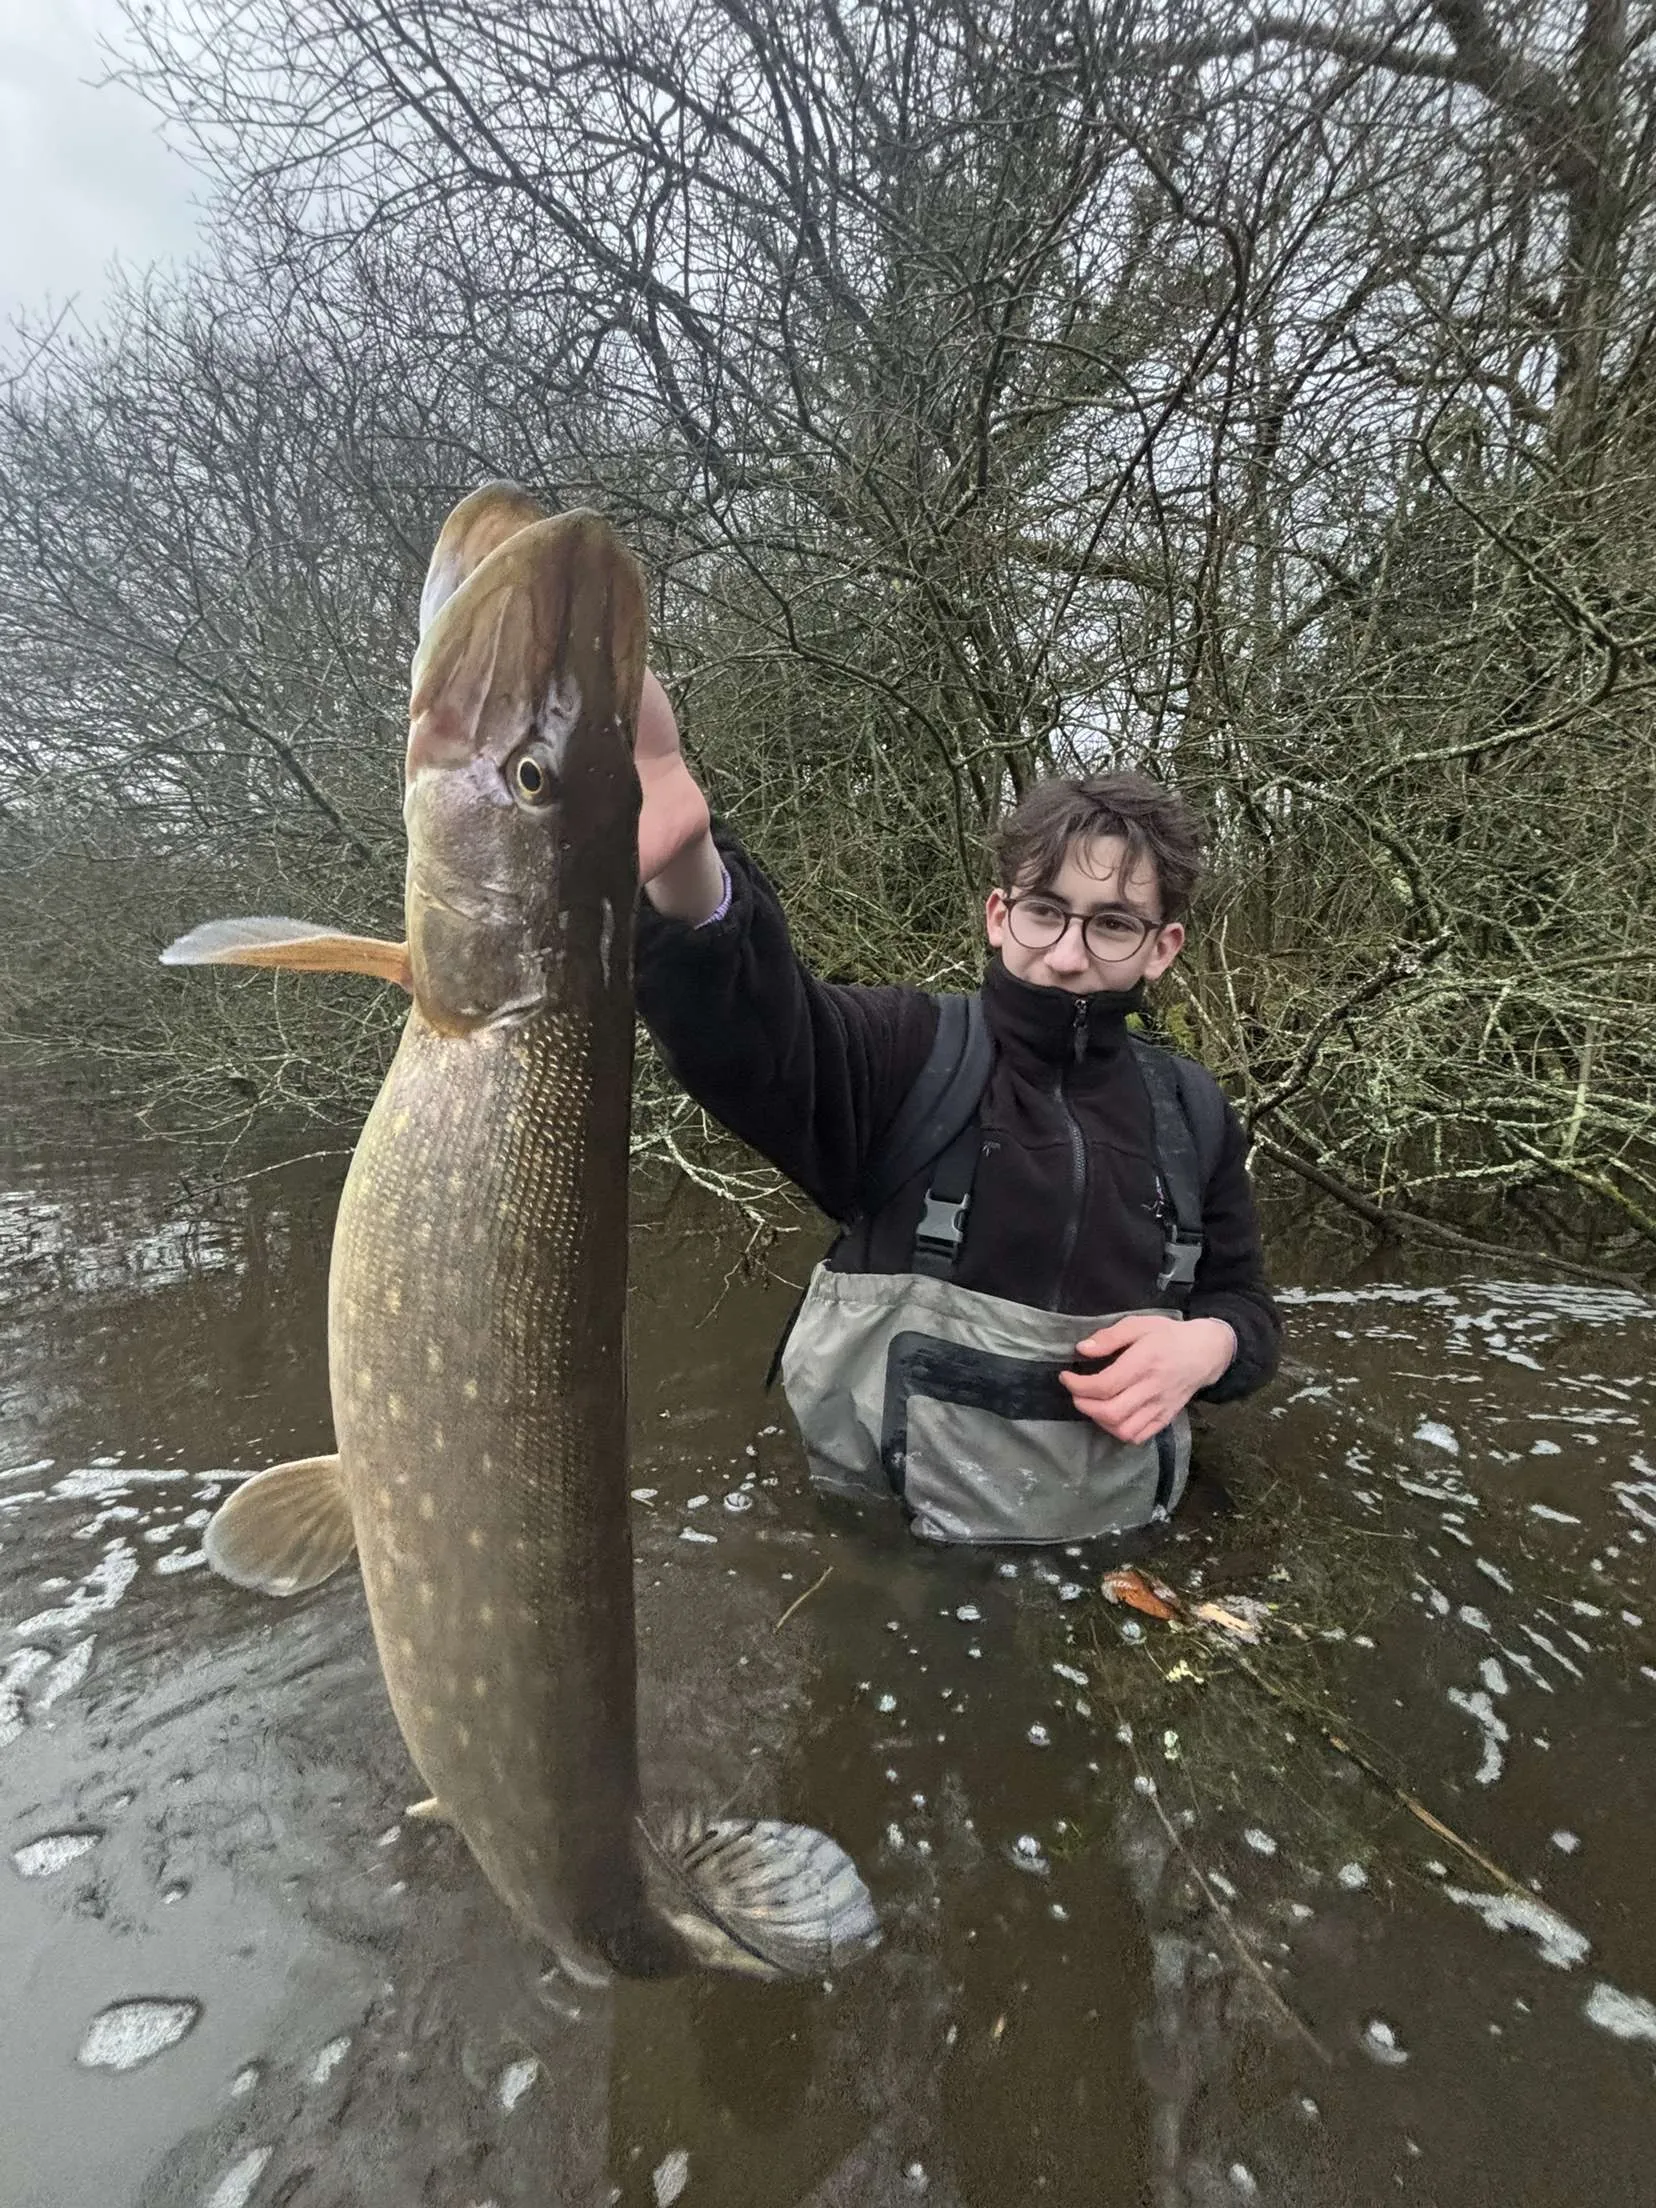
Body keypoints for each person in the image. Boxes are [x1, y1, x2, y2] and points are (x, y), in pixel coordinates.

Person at [632, 671, 1281, 1545]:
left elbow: (1244, 1304)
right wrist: (684, 863)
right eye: (1046, 913)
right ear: (998, 914)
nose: (1066, 954)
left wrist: (1211, 1349)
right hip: (890, 1557)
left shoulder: (1191, 1109)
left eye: (1112, 924)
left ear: (1163, 947)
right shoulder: (906, 1052)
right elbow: (747, 1025)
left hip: (1118, 1553)